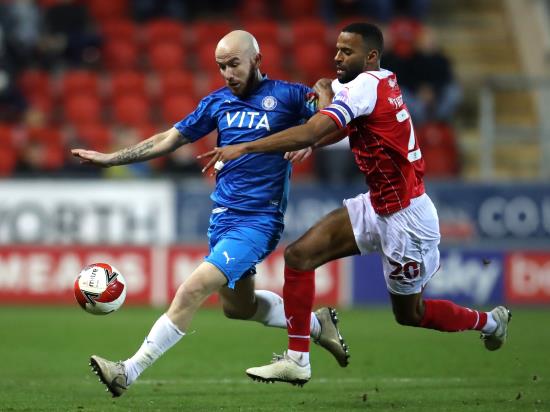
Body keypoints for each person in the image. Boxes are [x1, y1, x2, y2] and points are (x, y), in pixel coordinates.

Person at [199, 22, 511, 386]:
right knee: (299, 256)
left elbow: (318, 126)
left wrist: (247, 146)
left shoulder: (364, 85)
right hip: (378, 205)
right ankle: (298, 358)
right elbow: (350, 126)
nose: (337, 57)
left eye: (347, 51)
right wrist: (314, 136)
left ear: (371, 56)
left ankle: (490, 322)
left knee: (411, 314)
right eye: (337, 49)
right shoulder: (382, 81)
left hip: (407, 219)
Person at [71, 30, 349, 398]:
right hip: (223, 220)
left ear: (257, 60)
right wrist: (111, 158)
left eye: (234, 64)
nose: (228, 74)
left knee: (192, 289)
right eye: (221, 67)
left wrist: (312, 136)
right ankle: (318, 324)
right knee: (239, 308)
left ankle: (127, 370)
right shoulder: (217, 103)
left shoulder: (289, 96)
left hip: (258, 221)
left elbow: (333, 111)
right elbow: (170, 138)